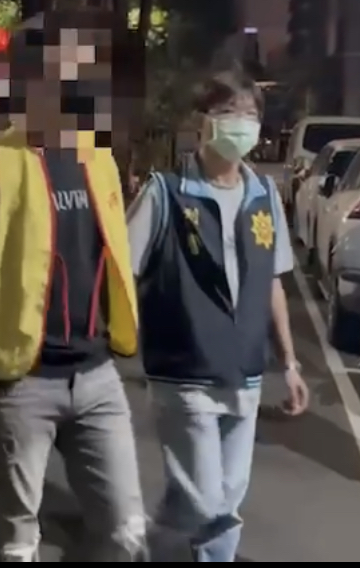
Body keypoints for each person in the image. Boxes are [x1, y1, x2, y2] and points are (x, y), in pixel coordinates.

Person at [0, 11, 146, 562]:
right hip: (21, 384)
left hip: (98, 377)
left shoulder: (98, 161)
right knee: (15, 542)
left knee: (125, 531)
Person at [126, 69, 308, 562]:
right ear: (201, 122)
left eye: (249, 115)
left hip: (244, 373)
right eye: (228, 113)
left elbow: (273, 282)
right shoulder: (166, 193)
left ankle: (155, 546)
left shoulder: (264, 195)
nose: (240, 124)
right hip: (183, 373)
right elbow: (122, 270)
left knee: (223, 498)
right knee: (209, 501)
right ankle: (161, 545)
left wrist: (290, 363)